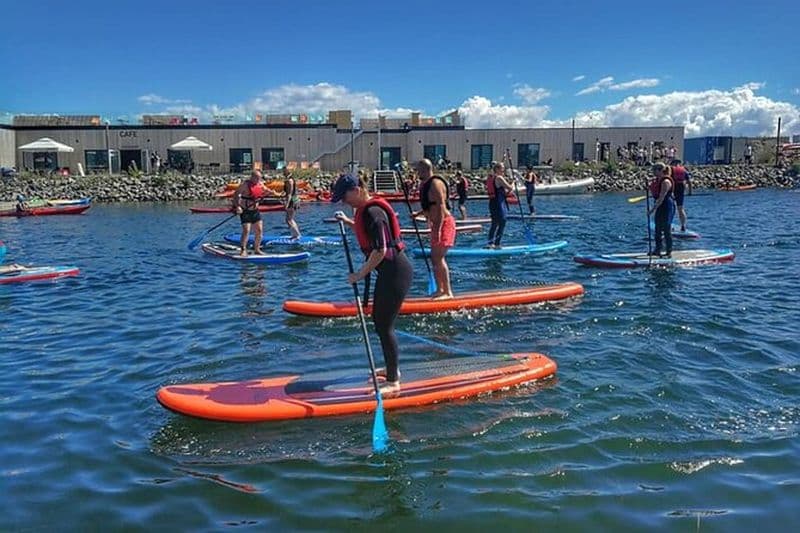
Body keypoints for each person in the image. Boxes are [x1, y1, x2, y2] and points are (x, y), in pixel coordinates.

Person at [332, 174, 413, 396]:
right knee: (379, 322)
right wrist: (349, 223)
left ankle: (393, 381)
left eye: (344, 196)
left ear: (357, 189)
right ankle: (390, 368)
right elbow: (370, 236)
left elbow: (380, 250)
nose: (343, 201)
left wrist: (359, 274)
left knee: (384, 326)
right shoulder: (365, 211)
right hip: (389, 273)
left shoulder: (373, 212)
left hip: (396, 273)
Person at [415, 159, 455, 298]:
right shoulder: (426, 185)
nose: (417, 173)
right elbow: (430, 206)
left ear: (425, 169)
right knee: (435, 258)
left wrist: (437, 229)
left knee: (438, 257)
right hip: (437, 224)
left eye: (418, 170)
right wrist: (418, 214)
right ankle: (439, 289)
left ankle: (447, 292)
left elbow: (441, 208)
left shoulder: (435, 184)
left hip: (444, 223)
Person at [231, 170, 266, 256]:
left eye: (260, 178)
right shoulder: (244, 185)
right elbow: (235, 195)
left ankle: (257, 249)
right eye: (257, 178)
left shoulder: (260, 184)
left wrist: (276, 193)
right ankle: (243, 249)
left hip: (255, 211)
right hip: (245, 211)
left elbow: (267, 190)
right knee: (246, 230)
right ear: (252, 177)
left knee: (259, 230)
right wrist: (238, 206)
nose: (259, 179)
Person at [648, 162, 675, 258]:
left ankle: (669, 251)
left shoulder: (666, 182)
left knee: (666, 228)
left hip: (667, 205)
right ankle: (657, 249)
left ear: (659, 170)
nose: (653, 173)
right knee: (657, 228)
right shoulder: (657, 180)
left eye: (654, 171)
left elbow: (662, 197)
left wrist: (652, 210)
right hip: (660, 205)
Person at [486, 161, 514, 248]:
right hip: (499, 204)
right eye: (502, 169)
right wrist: (513, 182)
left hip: (493, 203)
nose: (503, 170)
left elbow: (504, 192)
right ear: (497, 169)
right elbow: (509, 187)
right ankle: (497, 244)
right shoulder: (499, 178)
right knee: (502, 222)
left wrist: (509, 191)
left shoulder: (491, 178)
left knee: (494, 223)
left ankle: (490, 243)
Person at [670, 159, 692, 231]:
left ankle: (669, 225)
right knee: (680, 208)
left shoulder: (671, 169)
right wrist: (690, 192)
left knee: (671, 208)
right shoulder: (684, 170)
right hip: (681, 189)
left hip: (672, 189)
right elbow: (689, 182)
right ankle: (683, 226)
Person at [282, 168, 301, 239]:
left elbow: (289, 193)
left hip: (292, 201)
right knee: (290, 219)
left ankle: (296, 235)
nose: (283, 173)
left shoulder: (289, 181)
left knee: (288, 219)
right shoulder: (291, 179)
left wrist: (287, 204)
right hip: (295, 200)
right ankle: (296, 234)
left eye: (284, 171)